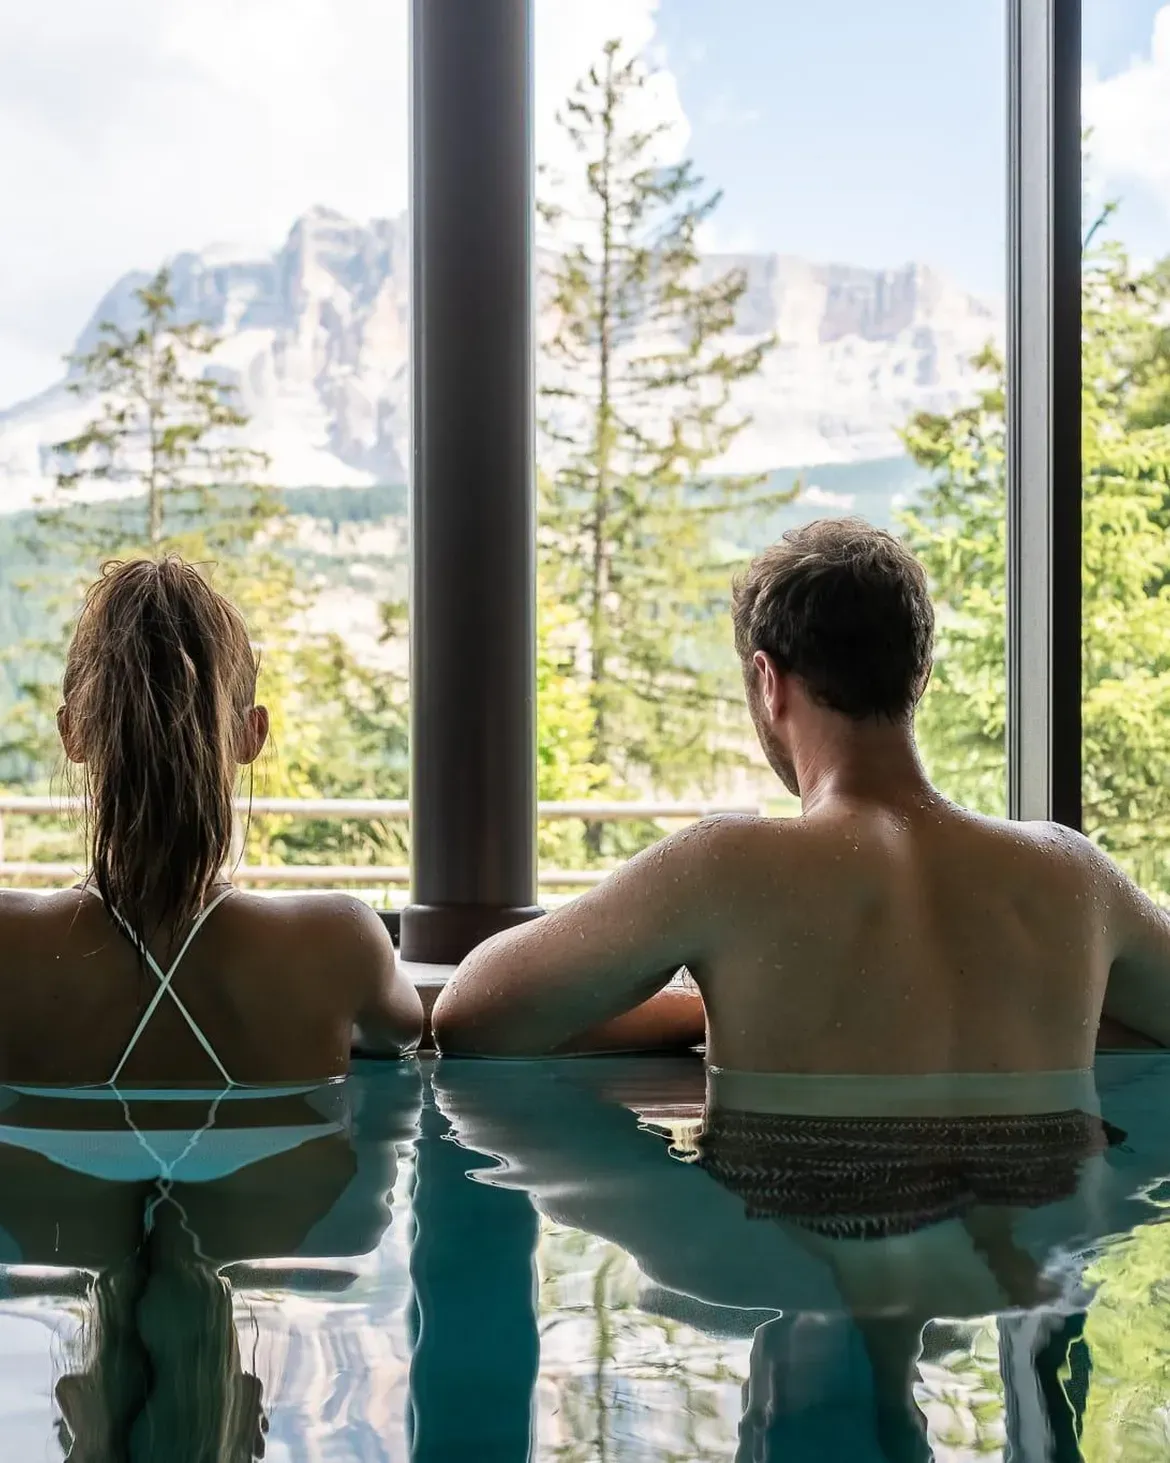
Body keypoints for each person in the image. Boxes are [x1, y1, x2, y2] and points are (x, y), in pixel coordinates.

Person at [434, 517, 1170, 1067]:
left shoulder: (727, 867)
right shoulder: (1071, 875)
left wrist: (704, 1009)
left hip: (797, 1219)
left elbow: (471, 1015)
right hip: (1029, 1221)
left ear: (767, 680)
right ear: (919, 677)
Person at [0, 556, 421, 1087]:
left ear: (73, 733)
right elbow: (408, 1036)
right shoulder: (341, 943)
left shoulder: (10, 945)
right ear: (252, 734)